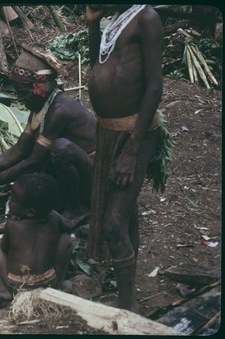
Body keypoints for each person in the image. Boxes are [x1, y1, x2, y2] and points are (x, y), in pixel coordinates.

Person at [85, 4, 172, 312]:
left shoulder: (146, 18)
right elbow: (98, 61)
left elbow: (154, 86)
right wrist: (94, 26)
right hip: (108, 131)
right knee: (125, 212)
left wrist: (132, 151)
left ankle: (127, 307)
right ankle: (124, 283)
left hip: (136, 133)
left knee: (113, 221)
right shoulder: (114, 22)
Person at [0, 47, 97, 226]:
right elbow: (19, 150)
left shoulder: (60, 109)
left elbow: (34, 160)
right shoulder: (40, 107)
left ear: (38, 87)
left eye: (22, 93)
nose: (20, 99)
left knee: (59, 148)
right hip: (77, 172)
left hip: (94, 175)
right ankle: (67, 203)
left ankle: (77, 209)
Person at [0, 172, 73, 313]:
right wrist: (53, 217)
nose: (9, 200)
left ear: (30, 212)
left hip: (17, 285)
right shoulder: (54, 218)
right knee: (66, 239)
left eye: (14, 199)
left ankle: (5, 291)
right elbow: (68, 227)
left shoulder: (12, 225)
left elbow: (3, 248)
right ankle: (58, 284)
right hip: (48, 281)